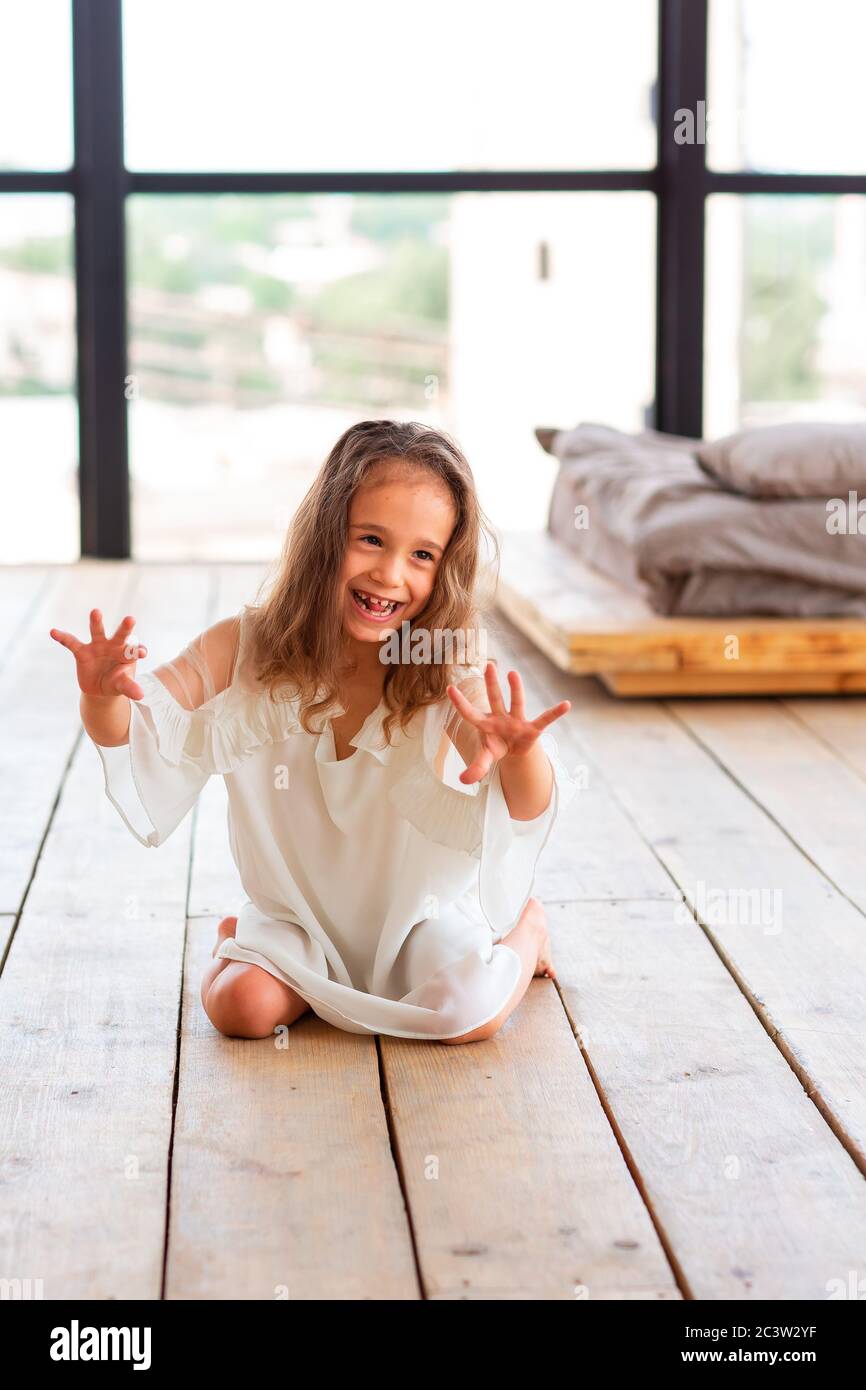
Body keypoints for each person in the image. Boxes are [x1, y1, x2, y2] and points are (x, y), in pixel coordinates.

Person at [50, 419, 575, 1044]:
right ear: (326, 536)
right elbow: (141, 729)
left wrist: (518, 755)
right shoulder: (242, 644)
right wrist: (100, 694)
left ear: (445, 570)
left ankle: (528, 929)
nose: (389, 573)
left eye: (422, 555)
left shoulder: (443, 665)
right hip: (294, 918)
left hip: (415, 923)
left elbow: (525, 806)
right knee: (240, 1011)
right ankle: (247, 947)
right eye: (371, 539)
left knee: (467, 1018)